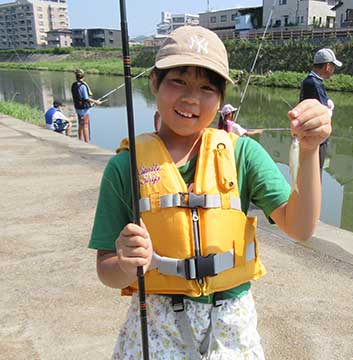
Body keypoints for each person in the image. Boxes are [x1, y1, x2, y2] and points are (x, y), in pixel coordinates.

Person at [89, 25, 331, 359]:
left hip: (230, 323)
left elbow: (301, 228)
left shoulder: (243, 154)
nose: (191, 97)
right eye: (178, 81)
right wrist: (127, 265)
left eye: (206, 87)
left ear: (220, 100)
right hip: (157, 322)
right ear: (155, 82)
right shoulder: (123, 167)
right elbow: (107, 269)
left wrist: (309, 150)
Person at [299, 48, 342, 171]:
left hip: (313, 136)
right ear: (328, 66)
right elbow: (323, 113)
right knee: (315, 173)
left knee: (312, 172)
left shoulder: (312, 81)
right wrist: (330, 110)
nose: (333, 71)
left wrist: (327, 101)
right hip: (316, 137)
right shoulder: (314, 83)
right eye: (333, 67)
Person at [71, 69, 101, 143]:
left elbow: (79, 97)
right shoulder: (83, 86)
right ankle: (86, 143)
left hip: (77, 107)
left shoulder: (74, 85)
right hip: (84, 109)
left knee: (80, 124)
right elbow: (86, 98)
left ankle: (79, 140)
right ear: (83, 77)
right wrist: (96, 102)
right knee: (85, 125)